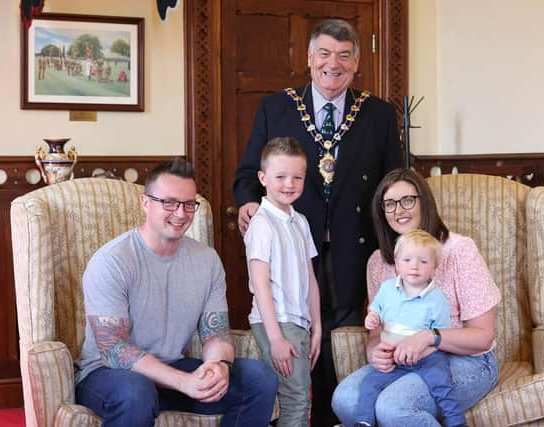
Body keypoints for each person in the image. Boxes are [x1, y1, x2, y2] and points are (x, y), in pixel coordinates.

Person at [233, 19, 403, 425]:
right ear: (309, 58)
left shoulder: (378, 114)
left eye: (344, 55)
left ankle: (333, 418)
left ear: (357, 62)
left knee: (337, 340)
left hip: (353, 246)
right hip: (289, 246)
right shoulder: (275, 107)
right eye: (324, 53)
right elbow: (246, 175)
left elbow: (395, 180)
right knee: (292, 336)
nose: (334, 64)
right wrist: (247, 205)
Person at [75, 158, 278, 427]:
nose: (180, 214)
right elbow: (113, 349)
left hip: (172, 370)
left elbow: (215, 333)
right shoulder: (112, 261)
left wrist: (219, 366)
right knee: (136, 392)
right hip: (109, 375)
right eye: (168, 203)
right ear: (146, 202)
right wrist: (185, 382)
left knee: (259, 378)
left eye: (188, 204)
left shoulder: (207, 261)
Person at [332, 168, 501, 427]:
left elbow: (483, 336)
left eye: (407, 200)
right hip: (402, 362)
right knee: (344, 399)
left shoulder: (459, 251)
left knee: (393, 407)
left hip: (468, 361)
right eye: (389, 204)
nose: (399, 210)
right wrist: (374, 351)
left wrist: (428, 337)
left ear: (425, 201)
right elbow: (377, 333)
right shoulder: (378, 262)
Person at [245, 137, 322, 426]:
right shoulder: (262, 223)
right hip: (277, 322)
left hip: (300, 322)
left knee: (302, 397)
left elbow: (310, 278)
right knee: (296, 399)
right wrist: (276, 338)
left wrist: (317, 327)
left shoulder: (300, 221)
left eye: (297, 177)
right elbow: (260, 284)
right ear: (263, 178)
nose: (289, 184)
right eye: (280, 177)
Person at [355, 229, 465, 427]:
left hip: (427, 358)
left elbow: (440, 335)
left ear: (434, 268)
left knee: (442, 384)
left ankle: (456, 421)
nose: (414, 266)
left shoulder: (438, 299)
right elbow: (375, 312)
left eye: (423, 262)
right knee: (369, 385)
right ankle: (363, 422)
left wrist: (424, 351)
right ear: (397, 265)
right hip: (392, 357)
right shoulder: (387, 289)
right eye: (407, 260)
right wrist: (371, 319)